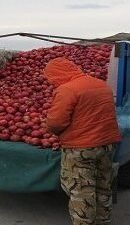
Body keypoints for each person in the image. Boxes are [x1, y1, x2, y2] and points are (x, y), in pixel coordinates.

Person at [43, 57, 121, 225]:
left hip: (81, 148)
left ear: (56, 74)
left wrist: (47, 125)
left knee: (81, 192)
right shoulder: (101, 85)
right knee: (102, 187)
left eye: (50, 77)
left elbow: (56, 123)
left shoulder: (67, 90)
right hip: (107, 144)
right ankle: (103, 221)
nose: (51, 81)